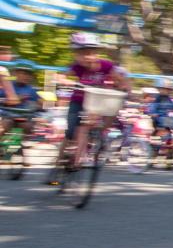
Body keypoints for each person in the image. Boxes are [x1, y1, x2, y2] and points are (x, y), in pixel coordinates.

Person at [57, 32, 127, 172]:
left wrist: (123, 87)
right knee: (71, 132)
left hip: (96, 102)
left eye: (90, 53)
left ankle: (80, 158)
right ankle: (59, 160)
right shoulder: (76, 67)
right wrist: (67, 81)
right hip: (78, 101)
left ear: (96, 53)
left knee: (88, 125)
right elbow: (60, 76)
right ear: (75, 55)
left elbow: (120, 79)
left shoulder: (106, 65)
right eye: (81, 54)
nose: (86, 57)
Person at [0, 59, 41, 136]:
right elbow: (3, 99)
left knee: (28, 126)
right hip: (8, 115)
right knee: (6, 124)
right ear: (15, 74)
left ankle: (22, 143)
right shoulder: (8, 86)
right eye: (23, 73)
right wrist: (8, 101)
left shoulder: (31, 89)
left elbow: (37, 104)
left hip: (24, 117)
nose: (27, 77)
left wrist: (37, 106)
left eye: (29, 75)